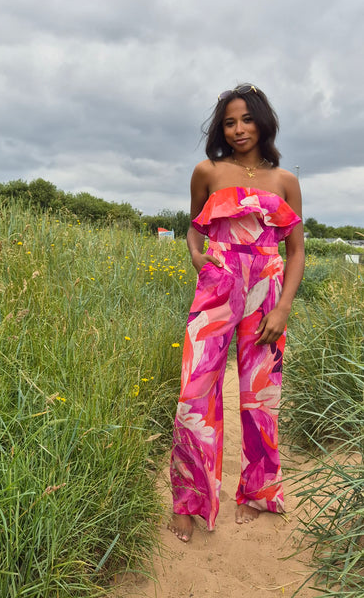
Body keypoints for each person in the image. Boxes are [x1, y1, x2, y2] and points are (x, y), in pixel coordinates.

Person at [168, 83, 305, 542]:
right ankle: (189, 497)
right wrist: (195, 256)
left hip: (267, 284)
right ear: (220, 129)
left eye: (246, 119)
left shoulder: (285, 181)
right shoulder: (207, 170)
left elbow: (297, 250)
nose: (239, 128)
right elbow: (192, 227)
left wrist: (283, 306)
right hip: (219, 279)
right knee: (195, 391)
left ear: (263, 122)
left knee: (260, 394)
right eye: (229, 121)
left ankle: (258, 491)